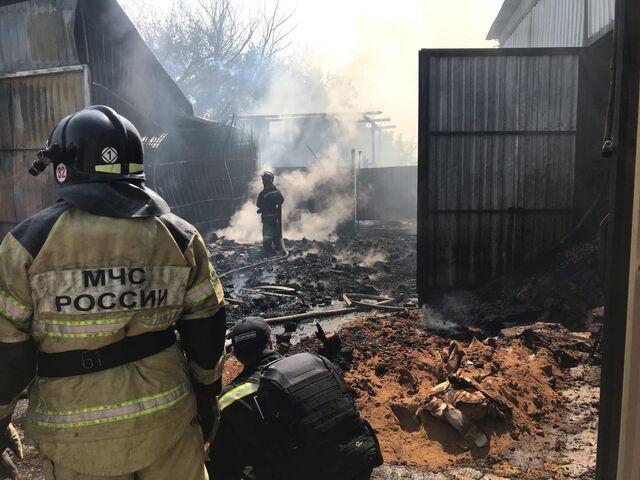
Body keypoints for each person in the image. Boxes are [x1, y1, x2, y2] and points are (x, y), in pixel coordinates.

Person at [0, 106, 226, 480]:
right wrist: (207, 394)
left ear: (62, 166)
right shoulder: (179, 236)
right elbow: (207, 327)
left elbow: (7, 350)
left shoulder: (26, 245)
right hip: (168, 421)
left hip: (77, 437)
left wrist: (3, 417)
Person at [208, 317, 383, 480]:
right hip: (358, 462)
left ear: (236, 355)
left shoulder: (230, 398)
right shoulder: (317, 362)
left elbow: (223, 463)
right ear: (270, 343)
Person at [256, 172, 285, 255]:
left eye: (263, 180)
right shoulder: (276, 191)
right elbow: (281, 200)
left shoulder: (263, 193)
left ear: (267, 180)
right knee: (275, 232)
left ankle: (268, 250)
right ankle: (278, 248)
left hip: (266, 217)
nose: (262, 182)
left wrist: (264, 207)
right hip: (275, 217)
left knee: (267, 234)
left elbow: (258, 204)